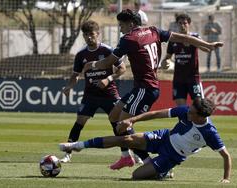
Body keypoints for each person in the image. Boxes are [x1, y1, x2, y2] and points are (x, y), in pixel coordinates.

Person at [83, 9, 224, 170]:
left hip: (145, 88)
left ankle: (147, 159)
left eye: (121, 25)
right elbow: (184, 37)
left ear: (130, 24)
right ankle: (125, 157)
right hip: (144, 87)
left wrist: (91, 65)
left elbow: (108, 63)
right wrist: (208, 44)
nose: (120, 28)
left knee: (122, 124)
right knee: (114, 116)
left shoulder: (128, 38)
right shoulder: (153, 31)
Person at [59, 98, 232, 182]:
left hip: (172, 157)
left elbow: (225, 155)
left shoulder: (210, 133)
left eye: (192, 113)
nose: (188, 112)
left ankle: (162, 172)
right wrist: (132, 120)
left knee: (136, 176)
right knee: (126, 139)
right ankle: (78, 145)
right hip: (164, 137)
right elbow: (157, 114)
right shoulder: (186, 111)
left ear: (202, 117)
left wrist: (226, 179)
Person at [60, 20, 126, 163]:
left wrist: (108, 79)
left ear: (98, 34)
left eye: (91, 34)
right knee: (79, 122)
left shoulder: (107, 50)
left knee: (119, 123)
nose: (89, 37)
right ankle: (68, 154)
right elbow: (75, 74)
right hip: (90, 95)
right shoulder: (81, 55)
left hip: (109, 93)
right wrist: (69, 86)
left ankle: (128, 154)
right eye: (85, 35)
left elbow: (122, 69)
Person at [161, 14, 206, 106]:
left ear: (189, 24)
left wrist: (200, 44)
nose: (182, 25)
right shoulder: (173, 40)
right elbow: (167, 57)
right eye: (180, 23)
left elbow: (206, 48)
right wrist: (164, 62)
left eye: (184, 23)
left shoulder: (195, 37)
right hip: (178, 79)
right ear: (177, 24)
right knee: (181, 109)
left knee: (199, 107)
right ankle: (184, 121)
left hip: (193, 78)